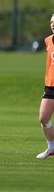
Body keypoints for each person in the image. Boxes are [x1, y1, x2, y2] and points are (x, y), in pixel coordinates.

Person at [36, 14, 54, 159]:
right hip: (50, 86)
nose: (53, 24)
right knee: (43, 117)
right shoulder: (48, 40)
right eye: (51, 22)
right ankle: (51, 148)